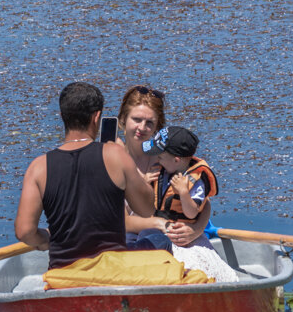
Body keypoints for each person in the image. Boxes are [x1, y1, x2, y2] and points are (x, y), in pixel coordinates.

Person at [15, 82, 155, 269]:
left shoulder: (38, 167)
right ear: (96, 117)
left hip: (63, 274)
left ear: (62, 116)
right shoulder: (116, 155)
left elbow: (24, 231)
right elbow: (146, 209)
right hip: (110, 272)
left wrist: (46, 239)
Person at [115, 85, 210, 248]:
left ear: (158, 126)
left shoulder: (168, 158)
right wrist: (160, 223)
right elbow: (121, 220)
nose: (142, 128)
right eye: (136, 119)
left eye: (150, 123)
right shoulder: (112, 156)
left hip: (171, 237)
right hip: (128, 236)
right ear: (123, 119)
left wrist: (196, 229)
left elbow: (204, 202)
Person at [137, 126, 219, 251]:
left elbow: (192, 213)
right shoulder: (161, 171)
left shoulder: (196, 181)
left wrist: (183, 192)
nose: (157, 160)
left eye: (160, 157)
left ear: (176, 160)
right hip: (156, 230)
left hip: (180, 238)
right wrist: (145, 184)